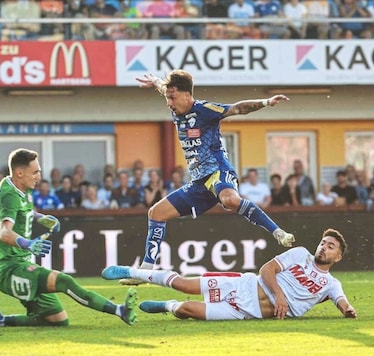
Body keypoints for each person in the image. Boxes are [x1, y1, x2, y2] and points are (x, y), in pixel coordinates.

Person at [124, 70, 295, 285]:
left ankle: (278, 232)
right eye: (167, 97)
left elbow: (237, 108)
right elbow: (164, 89)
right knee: (155, 213)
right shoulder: (177, 107)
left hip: (218, 172)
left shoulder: (204, 110)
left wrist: (266, 102)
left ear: (187, 95)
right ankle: (146, 271)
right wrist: (156, 82)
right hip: (198, 182)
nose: (169, 102)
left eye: (172, 97)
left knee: (230, 200)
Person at [0, 148, 138, 330]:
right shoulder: (9, 195)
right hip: (12, 270)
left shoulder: (19, 187)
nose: (39, 176)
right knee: (64, 281)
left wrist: (40, 217)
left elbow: (21, 209)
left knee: (57, 320)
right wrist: (28, 243)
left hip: (23, 265)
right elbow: (4, 233)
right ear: (19, 172)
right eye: (35, 172)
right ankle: (120, 310)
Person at [102, 228, 357, 321]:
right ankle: (130, 270)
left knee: (187, 309)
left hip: (245, 312)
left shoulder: (330, 283)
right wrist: (279, 295)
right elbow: (267, 269)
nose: (323, 247)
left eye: (330, 246)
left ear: (338, 257)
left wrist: (347, 311)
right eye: (323, 242)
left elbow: (342, 303)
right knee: (185, 285)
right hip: (244, 286)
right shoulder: (300, 254)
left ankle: (166, 306)